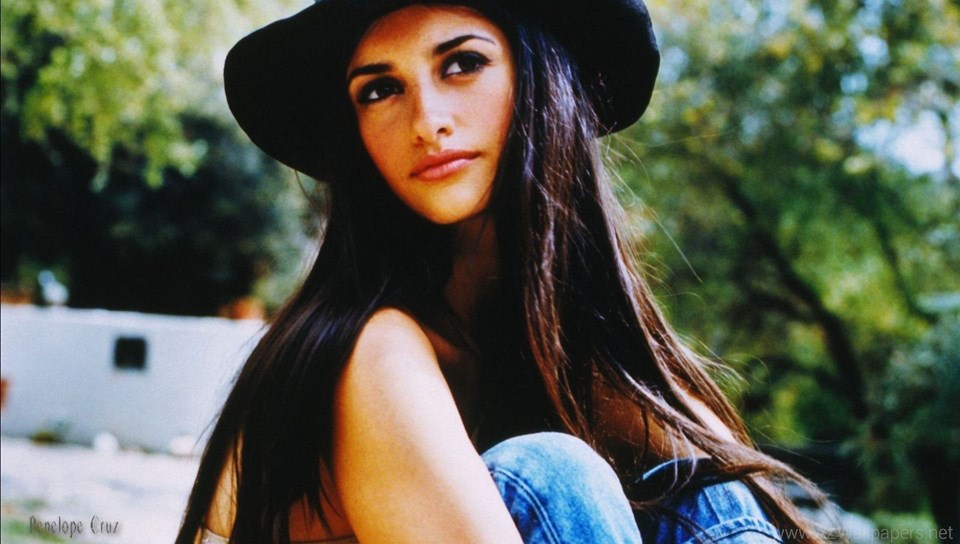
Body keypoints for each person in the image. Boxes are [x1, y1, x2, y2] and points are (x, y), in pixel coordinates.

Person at [177, 1, 827, 543]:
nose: (427, 121)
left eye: (462, 63)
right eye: (379, 90)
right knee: (552, 473)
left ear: (542, 77)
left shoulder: (563, 349)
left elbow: (740, 497)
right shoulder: (373, 351)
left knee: (705, 491)